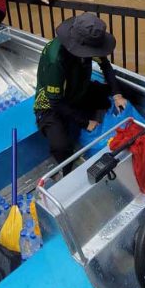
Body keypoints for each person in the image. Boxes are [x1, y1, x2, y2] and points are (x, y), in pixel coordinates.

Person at [34, 13, 127, 173]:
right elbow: (55, 101)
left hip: (79, 89)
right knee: (61, 147)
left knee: (121, 91)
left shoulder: (91, 43)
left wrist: (117, 94)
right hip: (52, 103)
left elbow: (105, 66)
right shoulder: (56, 59)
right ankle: (67, 173)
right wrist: (85, 123)